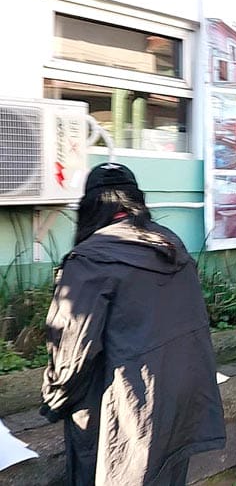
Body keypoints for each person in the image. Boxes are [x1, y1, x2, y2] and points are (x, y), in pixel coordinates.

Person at [40, 163, 226, 485]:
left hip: (123, 410)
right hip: (180, 402)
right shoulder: (171, 247)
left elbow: (70, 354)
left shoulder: (89, 260)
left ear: (89, 207)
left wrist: (53, 400)